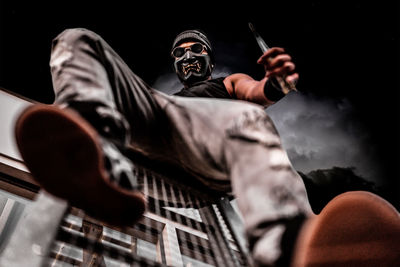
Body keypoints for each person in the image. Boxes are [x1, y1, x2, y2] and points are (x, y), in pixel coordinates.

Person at [15, 28, 312, 266]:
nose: (188, 57)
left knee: (248, 116)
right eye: (179, 53)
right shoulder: (168, 101)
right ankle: (99, 154)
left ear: (209, 57)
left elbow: (257, 93)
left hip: (211, 157)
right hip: (154, 161)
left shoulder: (227, 83)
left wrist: (276, 84)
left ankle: (289, 242)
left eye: (196, 49)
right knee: (76, 39)